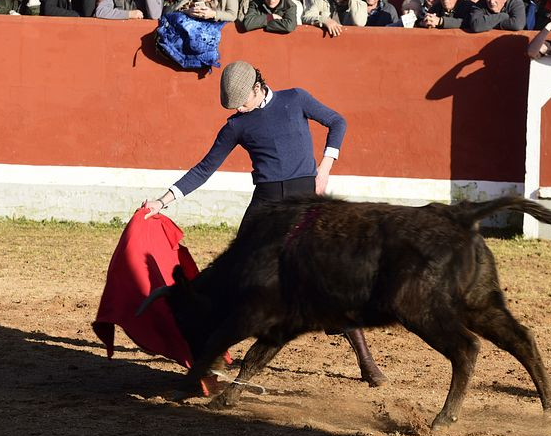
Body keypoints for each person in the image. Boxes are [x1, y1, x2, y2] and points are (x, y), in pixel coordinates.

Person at [143, 60, 387, 388]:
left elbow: (337, 122)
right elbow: (204, 168)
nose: (239, 109)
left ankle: (366, 362)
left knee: (328, 278)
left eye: (242, 101)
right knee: (234, 277)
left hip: (304, 205)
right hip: (265, 210)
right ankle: (210, 350)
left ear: (257, 87)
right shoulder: (236, 125)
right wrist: (162, 201)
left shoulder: (295, 98)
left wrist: (325, 168)